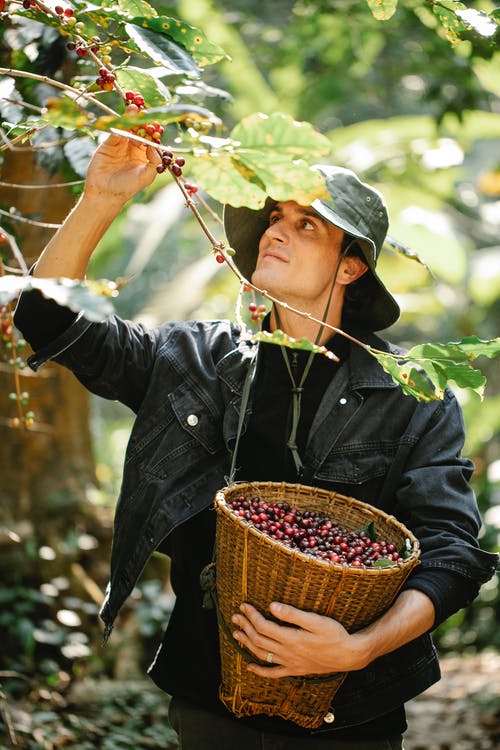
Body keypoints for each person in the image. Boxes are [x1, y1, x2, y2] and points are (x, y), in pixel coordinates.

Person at [14, 133, 497, 750]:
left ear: (351, 266)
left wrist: (354, 650)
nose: (275, 232)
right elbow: (46, 317)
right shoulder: (194, 359)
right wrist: (101, 199)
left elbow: (451, 553)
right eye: (274, 219)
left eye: (306, 225)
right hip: (208, 695)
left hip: (348, 710)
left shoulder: (413, 394)